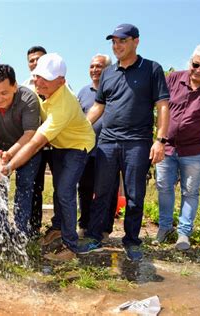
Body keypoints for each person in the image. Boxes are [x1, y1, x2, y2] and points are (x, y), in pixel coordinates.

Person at [80, 24, 170, 262]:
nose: (117, 46)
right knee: (102, 192)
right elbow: (99, 105)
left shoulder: (151, 69)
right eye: (114, 42)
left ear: (136, 41)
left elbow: (162, 105)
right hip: (107, 142)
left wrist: (160, 139)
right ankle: (95, 236)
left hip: (137, 143)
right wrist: (82, 127)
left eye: (122, 41)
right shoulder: (108, 73)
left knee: (134, 195)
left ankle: (131, 240)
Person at [0, 53, 95, 260]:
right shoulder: (36, 87)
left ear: (62, 82)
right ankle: (58, 229)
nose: (39, 82)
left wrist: (9, 167)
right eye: (38, 76)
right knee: (60, 190)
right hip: (59, 144)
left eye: (47, 79)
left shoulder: (64, 104)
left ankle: (70, 246)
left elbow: (35, 143)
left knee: (65, 192)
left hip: (78, 145)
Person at [154, 44, 200, 251]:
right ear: (190, 61)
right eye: (196, 64)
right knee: (163, 187)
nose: (199, 70)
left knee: (190, 191)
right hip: (167, 147)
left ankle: (184, 233)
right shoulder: (173, 79)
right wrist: (158, 140)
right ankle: (164, 228)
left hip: (195, 151)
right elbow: (160, 108)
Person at [0, 64, 41, 237]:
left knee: (25, 185)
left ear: (15, 86)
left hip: (27, 148)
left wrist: (10, 155)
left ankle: (21, 232)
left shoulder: (28, 99)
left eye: (4, 93)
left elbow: (30, 135)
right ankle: (0, 232)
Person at [76, 54, 119, 241]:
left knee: (108, 190)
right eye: (92, 66)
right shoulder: (83, 92)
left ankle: (105, 229)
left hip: (110, 149)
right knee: (84, 188)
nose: (95, 70)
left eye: (99, 66)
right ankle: (84, 225)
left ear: (108, 69)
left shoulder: (116, 90)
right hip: (87, 150)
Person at [22, 45, 50, 237]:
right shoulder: (24, 87)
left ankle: (60, 228)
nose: (35, 63)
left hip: (57, 145)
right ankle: (33, 227)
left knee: (61, 188)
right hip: (35, 145)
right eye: (32, 60)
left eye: (39, 59)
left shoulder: (58, 83)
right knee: (35, 186)